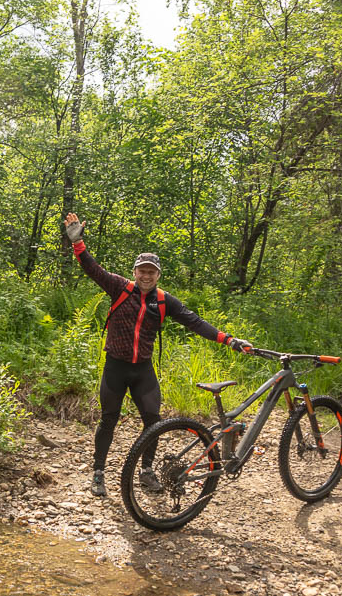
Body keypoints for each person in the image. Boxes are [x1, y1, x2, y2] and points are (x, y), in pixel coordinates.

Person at [63, 212, 252, 497]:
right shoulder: (120, 288)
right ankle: (98, 473)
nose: (146, 275)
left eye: (151, 272)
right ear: (135, 271)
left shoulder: (164, 300)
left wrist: (229, 340)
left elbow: (195, 322)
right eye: (142, 270)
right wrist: (78, 243)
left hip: (143, 371)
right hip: (116, 367)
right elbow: (92, 269)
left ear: (158, 275)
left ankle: (146, 471)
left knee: (154, 423)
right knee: (108, 420)